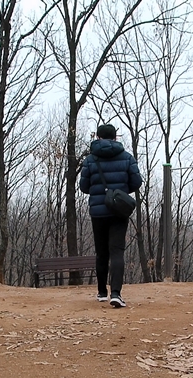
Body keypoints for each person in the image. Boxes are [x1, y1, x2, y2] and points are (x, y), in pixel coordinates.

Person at [79, 124, 143, 308]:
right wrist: (119, 192)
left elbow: (84, 187)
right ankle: (116, 293)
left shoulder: (90, 160)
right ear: (116, 137)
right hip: (118, 210)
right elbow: (136, 182)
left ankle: (101, 292)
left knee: (101, 252)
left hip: (98, 211)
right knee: (117, 251)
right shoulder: (127, 157)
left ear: (98, 137)